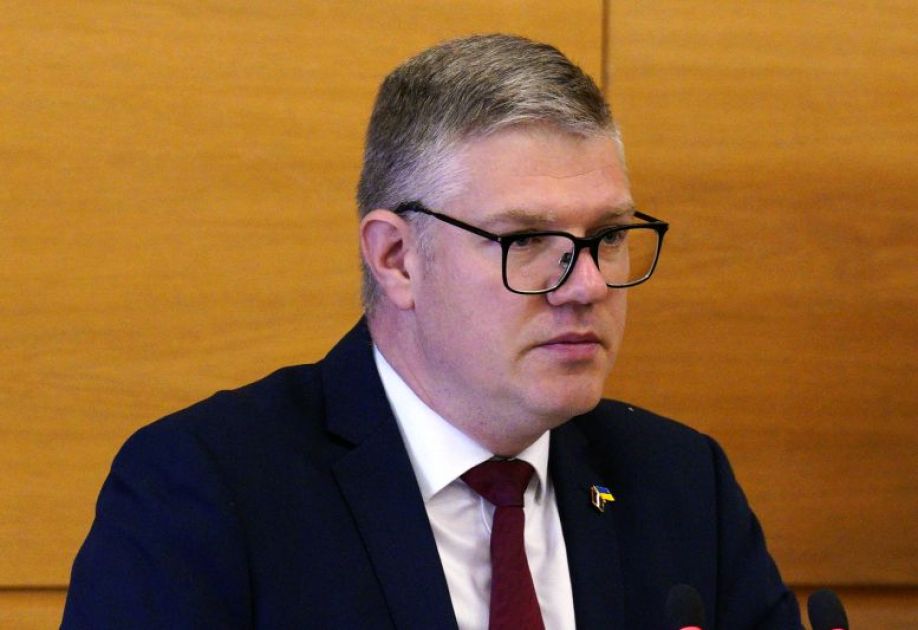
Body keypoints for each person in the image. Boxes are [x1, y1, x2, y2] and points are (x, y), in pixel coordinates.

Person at [63, 34, 801, 628]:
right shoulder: (208, 487)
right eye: (526, 240)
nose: (588, 286)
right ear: (396, 258)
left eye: (607, 237)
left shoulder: (680, 484)